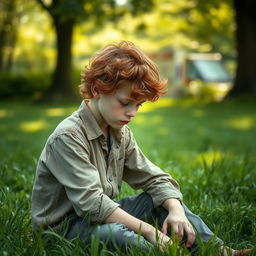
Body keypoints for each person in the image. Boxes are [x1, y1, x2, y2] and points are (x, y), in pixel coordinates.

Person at [31, 41, 252, 256]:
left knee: (158, 202)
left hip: (101, 216)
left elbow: (155, 179)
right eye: (125, 102)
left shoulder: (119, 131)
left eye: (138, 105)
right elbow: (91, 204)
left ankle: (221, 252)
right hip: (65, 230)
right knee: (117, 235)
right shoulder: (68, 136)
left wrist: (176, 211)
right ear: (97, 90)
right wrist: (148, 231)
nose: (132, 113)